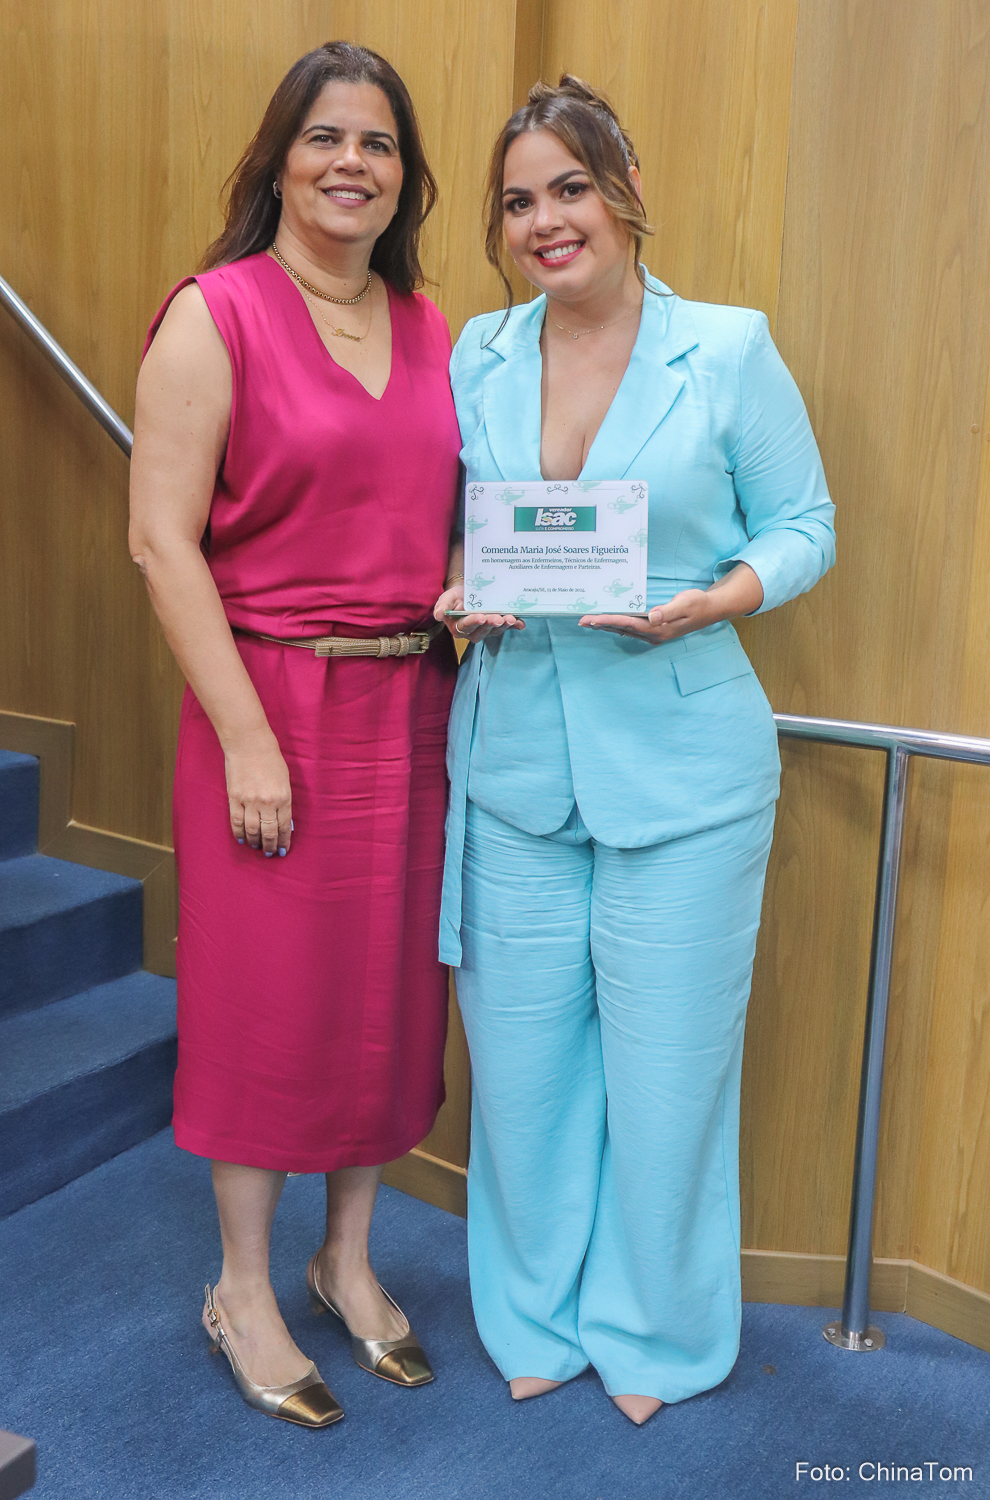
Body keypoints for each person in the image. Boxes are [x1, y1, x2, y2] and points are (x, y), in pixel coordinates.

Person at [433, 77, 836, 1426]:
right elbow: (465, 529)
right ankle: (533, 1317)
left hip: (687, 777)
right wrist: (458, 592)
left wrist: (716, 600)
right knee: (524, 1080)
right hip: (513, 771)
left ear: (624, 189)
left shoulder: (726, 349)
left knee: (668, 1085)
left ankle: (654, 1335)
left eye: (569, 187)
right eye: (518, 201)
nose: (546, 220)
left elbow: (805, 525)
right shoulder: (479, 352)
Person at [129, 42, 462, 1427]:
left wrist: (469, 581)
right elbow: (162, 540)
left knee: (387, 1001)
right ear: (277, 159)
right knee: (265, 1008)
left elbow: (448, 515)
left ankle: (347, 1257)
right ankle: (244, 1287)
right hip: (268, 704)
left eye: (378, 142)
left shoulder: (434, 326)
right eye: (325, 137)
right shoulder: (216, 315)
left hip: (416, 705)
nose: (351, 164)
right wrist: (248, 738)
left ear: (406, 175)